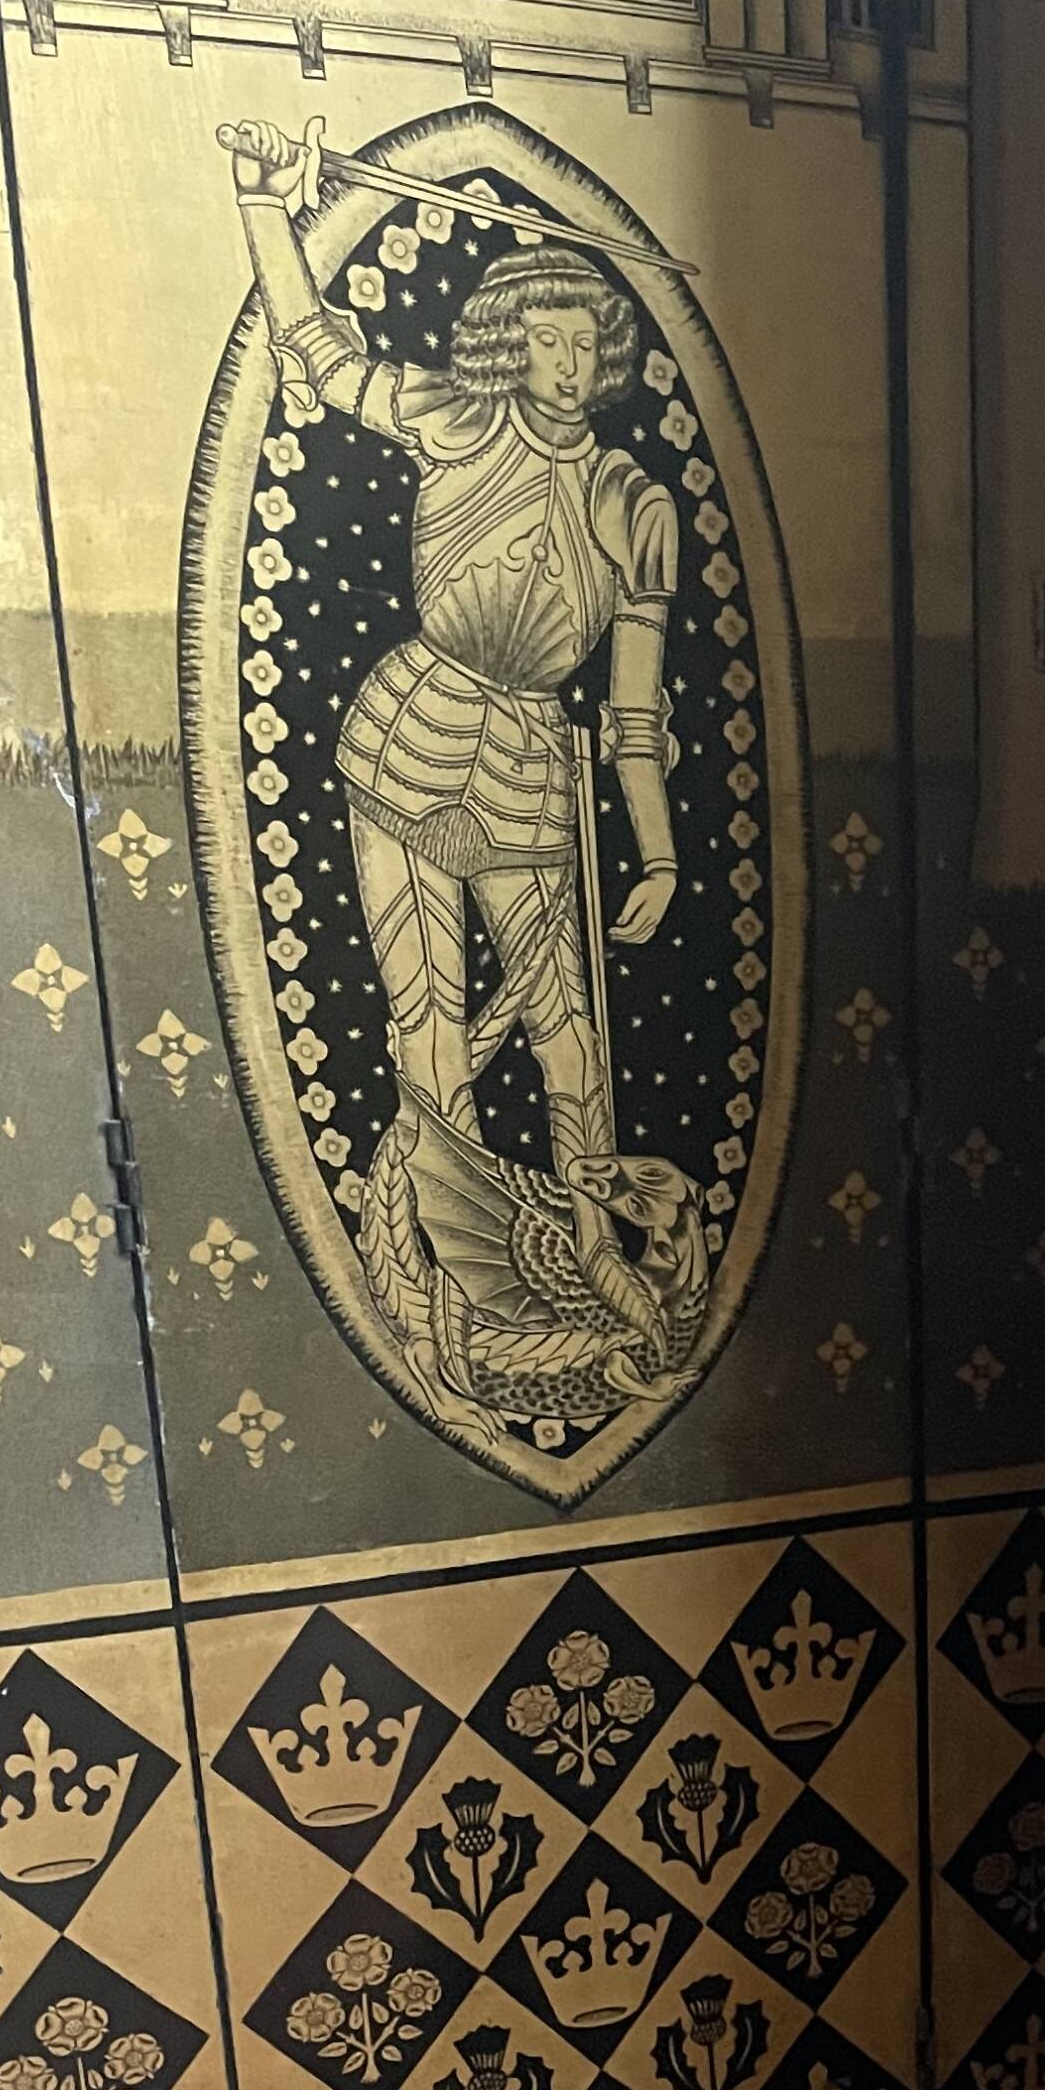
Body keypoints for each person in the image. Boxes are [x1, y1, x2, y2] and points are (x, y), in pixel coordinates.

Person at [220, 118, 704, 1432]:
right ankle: (463, 1281)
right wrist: (267, 206)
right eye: (539, 338)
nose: (562, 359)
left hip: (536, 767)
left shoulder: (634, 501)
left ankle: (596, 1235)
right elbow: (316, 358)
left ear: (603, 354)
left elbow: (635, 710)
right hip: (404, 736)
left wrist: (658, 853)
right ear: (508, 343)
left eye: (581, 340)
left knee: (563, 1024)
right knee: (424, 1018)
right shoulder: (451, 416)